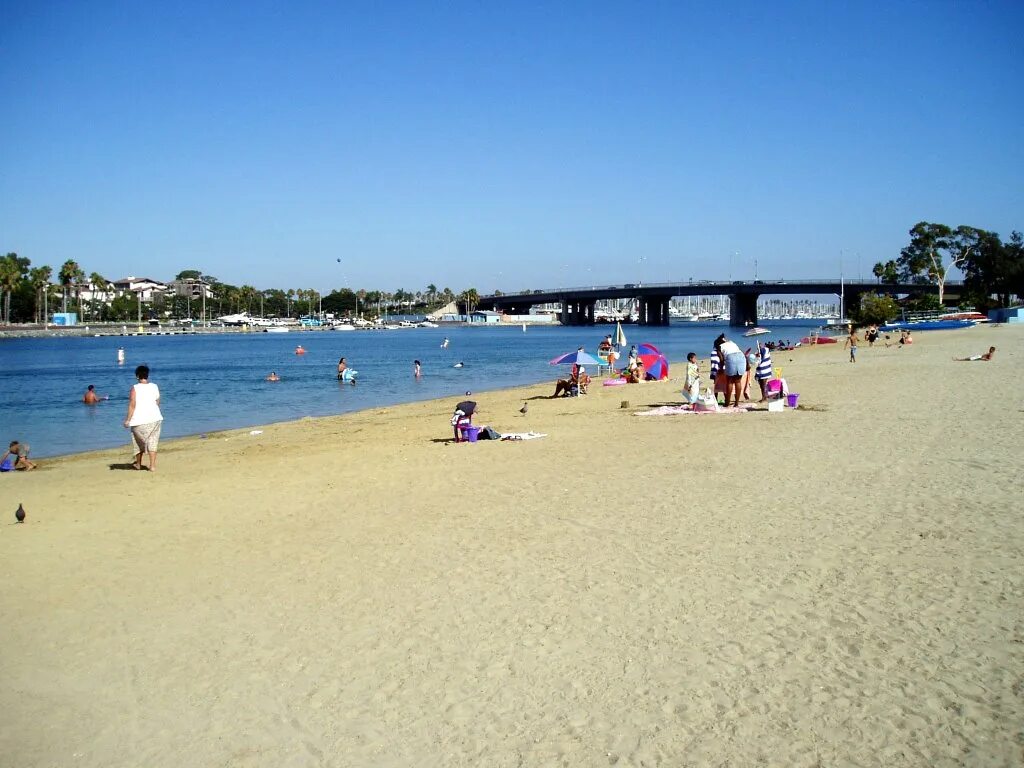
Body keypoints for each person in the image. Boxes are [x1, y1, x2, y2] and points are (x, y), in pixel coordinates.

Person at [124, 364, 163, 472]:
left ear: (137, 376)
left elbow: (132, 405)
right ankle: (152, 466)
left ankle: (138, 464)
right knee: (153, 441)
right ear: (147, 375)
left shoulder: (135, 388)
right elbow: (157, 402)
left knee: (138, 443)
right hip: (155, 419)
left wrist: (128, 420)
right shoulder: (154, 386)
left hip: (139, 420)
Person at [715, 333, 745, 408]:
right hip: (741, 357)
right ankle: (736, 403)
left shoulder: (719, 347)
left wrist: (721, 369)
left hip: (731, 358)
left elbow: (721, 360)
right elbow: (740, 351)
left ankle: (727, 403)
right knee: (738, 381)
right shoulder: (731, 342)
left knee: (730, 381)